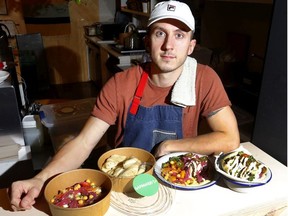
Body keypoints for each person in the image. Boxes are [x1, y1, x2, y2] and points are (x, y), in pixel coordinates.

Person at [10, 0, 240, 211]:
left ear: (191, 46)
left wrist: (170, 145)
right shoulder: (121, 84)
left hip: (177, 179)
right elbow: (83, 143)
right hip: (122, 185)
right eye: (160, 33)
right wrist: (40, 178)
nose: (169, 45)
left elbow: (229, 138)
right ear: (148, 41)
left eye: (179, 35)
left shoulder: (204, 79)